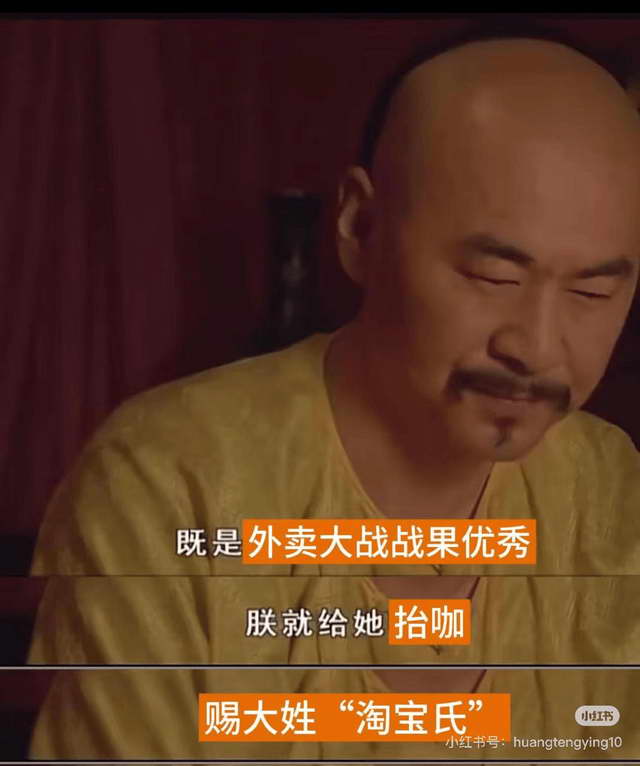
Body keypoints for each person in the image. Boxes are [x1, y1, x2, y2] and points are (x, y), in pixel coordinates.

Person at [28, 20, 640, 761]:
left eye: (592, 292)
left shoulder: (607, 489)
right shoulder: (169, 481)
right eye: (493, 277)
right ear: (360, 226)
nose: (537, 347)